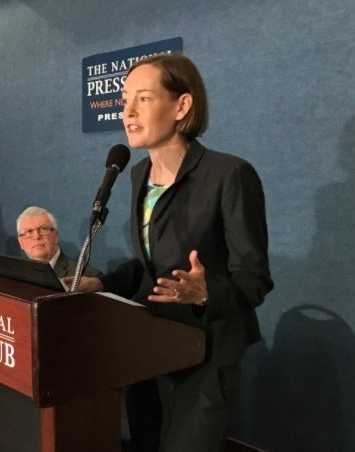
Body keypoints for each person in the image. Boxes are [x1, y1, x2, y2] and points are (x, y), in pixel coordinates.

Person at [69, 53, 273, 452]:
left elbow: (255, 278)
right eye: (124, 99)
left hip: (206, 354)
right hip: (151, 346)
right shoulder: (137, 174)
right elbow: (151, 266)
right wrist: (101, 282)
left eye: (142, 99)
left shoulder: (229, 175)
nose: (127, 111)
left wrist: (206, 292)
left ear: (182, 106)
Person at [16, 206, 102, 278]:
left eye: (43, 229)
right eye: (29, 231)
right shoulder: (15, 275)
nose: (36, 236)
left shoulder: (87, 276)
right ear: (21, 242)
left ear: (56, 236)